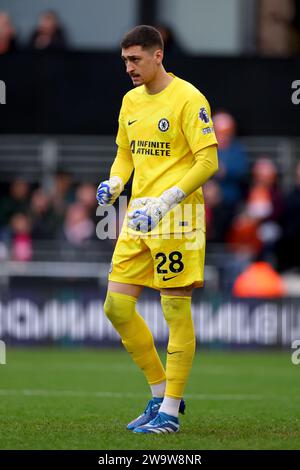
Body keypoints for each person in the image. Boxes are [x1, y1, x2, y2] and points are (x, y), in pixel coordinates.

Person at [96, 25, 218, 434]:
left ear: (158, 55)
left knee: (174, 309)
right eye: (125, 60)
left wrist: (166, 201)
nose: (128, 67)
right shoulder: (130, 101)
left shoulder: (188, 97)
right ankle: (161, 392)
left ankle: (169, 413)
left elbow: (207, 161)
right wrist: (115, 183)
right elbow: (125, 154)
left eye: (135, 59)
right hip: (138, 216)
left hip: (178, 218)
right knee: (115, 306)